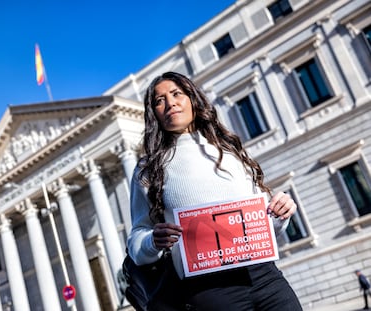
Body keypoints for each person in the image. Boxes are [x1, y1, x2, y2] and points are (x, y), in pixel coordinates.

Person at [127, 71, 303, 310]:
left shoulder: (229, 151)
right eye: (159, 100)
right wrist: (152, 242)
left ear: (192, 99)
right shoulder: (147, 170)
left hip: (263, 275)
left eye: (176, 94)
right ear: (154, 113)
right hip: (208, 289)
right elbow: (137, 240)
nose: (170, 103)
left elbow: (265, 225)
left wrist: (280, 213)